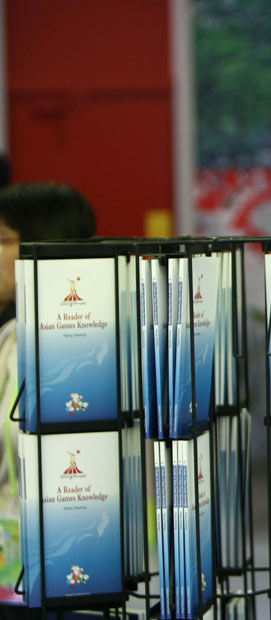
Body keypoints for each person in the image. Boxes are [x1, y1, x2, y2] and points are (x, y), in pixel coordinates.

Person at [0, 183, 96, 603]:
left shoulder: (87, 348)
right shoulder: (12, 337)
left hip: (67, 561)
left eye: (2, 240)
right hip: (15, 563)